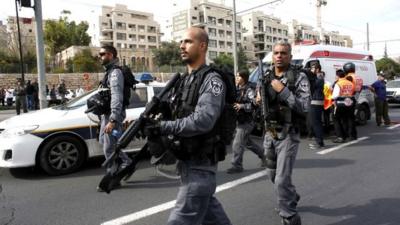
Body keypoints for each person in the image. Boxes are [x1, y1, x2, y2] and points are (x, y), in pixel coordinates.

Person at [143, 26, 232, 225]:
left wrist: (164, 127)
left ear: (202, 46)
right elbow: (181, 113)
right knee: (213, 217)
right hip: (187, 162)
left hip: (201, 164)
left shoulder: (212, 79)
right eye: (181, 42)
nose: (182, 46)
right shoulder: (184, 81)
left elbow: (203, 120)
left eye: (188, 42)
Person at [257, 41, 309, 225]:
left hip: (288, 133)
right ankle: (291, 195)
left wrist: (284, 91)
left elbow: (304, 107)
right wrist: (258, 98)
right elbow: (261, 99)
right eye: (276, 53)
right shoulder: (266, 76)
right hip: (269, 133)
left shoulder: (298, 77)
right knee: (272, 175)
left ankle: (289, 216)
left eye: (283, 53)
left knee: (281, 180)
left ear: (290, 56)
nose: (279, 56)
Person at [97, 45, 132, 191]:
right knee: (104, 141)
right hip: (107, 114)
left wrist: (112, 120)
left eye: (102, 54)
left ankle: (114, 178)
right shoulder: (109, 72)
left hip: (113, 114)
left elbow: (117, 97)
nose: (100, 57)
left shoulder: (115, 73)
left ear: (111, 55)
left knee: (109, 147)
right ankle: (127, 163)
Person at [227, 70, 266, 174]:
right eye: (236, 76)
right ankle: (264, 156)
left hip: (247, 121)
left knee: (237, 143)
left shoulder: (249, 90)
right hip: (239, 120)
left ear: (244, 78)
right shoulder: (236, 88)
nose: (236, 78)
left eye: (238, 77)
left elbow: (255, 104)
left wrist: (242, 106)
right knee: (248, 143)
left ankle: (237, 165)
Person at [332, 69, 355, 143]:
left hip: (340, 103)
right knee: (345, 119)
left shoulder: (338, 83)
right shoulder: (350, 83)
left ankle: (340, 137)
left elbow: (335, 96)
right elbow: (352, 92)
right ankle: (347, 135)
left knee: (336, 119)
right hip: (349, 103)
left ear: (337, 76)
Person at [309, 62, 325, 149]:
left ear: (317, 69)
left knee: (316, 123)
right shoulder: (318, 77)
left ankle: (319, 143)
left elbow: (313, 86)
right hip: (316, 101)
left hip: (316, 102)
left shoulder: (319, 77)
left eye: (312, 68)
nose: (311, 70)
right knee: (316, 122)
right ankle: (319, 141)